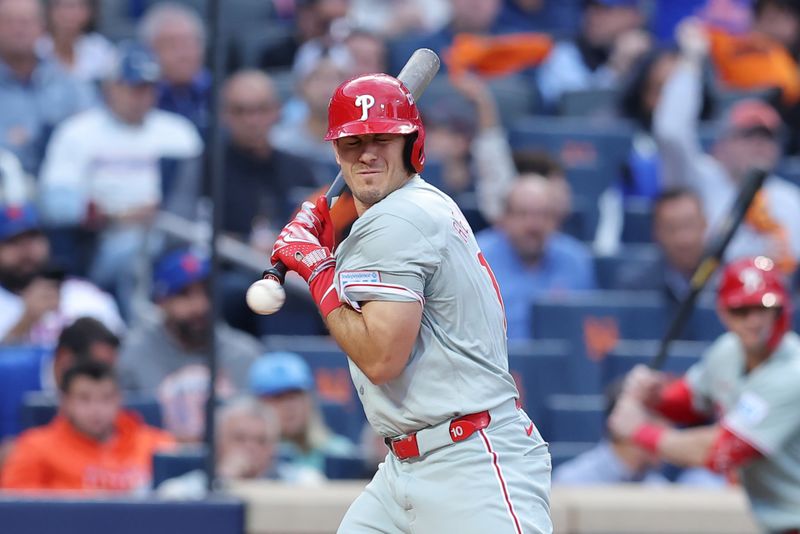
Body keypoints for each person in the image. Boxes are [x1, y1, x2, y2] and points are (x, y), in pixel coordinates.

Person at [269, 73, 552, 533]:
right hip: (407, 464)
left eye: (383, 138)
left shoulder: (398, 218)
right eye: (353, 141)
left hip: (468, 466)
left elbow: (381, 358)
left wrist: (318, 268)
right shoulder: (412, 206)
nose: (367, 152)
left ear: (411, 144)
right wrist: (335, 230)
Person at [609, 255, 800, 533]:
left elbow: (719, 452)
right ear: (724, 313)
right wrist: (656, 396)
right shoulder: (728, 350)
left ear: (782, 309)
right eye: (741, 310)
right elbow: (690, 400)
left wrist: (638, 431)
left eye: (764, 307)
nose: (754, 320)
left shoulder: (793, 372)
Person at [38, 41, 203, 311]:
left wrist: (162, 211)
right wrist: (115, 214)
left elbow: (197, 197)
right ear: (110, 87)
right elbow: (54, 202)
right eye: (133, 86)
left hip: (173, 233)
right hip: (103, 240)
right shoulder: (79, 131)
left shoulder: (178, 132)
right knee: (135, 255)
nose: (141, 95)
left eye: (148, 87)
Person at [654, 18, 800, 275]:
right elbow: (671, 132)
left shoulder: (789, 201)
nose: (759, 145)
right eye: (748, 136)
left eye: (767, 137)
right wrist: (691, 62)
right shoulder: (698, 179)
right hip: (704, 301)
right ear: (721, 145)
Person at [118, 247, 262, 442]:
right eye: (184, 294)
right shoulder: (133, 355)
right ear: (162, 301)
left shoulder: (244, 355)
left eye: (206, 292)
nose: (200, 306)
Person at [0, 360, 174, 491]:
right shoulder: (35, 447)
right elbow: (15, 512)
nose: (96, 409)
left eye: (106, 398)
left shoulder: (157, 444)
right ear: (65, 402)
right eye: (84, 398)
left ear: (119, 400)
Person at [477, 174, 597, 340]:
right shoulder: (479, 257)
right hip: (494, 363)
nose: (533, 225)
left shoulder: (576, 260)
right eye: (523, 214)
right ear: (504, 218)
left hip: (560, 364)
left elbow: (586, 327)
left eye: (543, 215)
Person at [554, 381, 726, 487]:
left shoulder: (659, 490)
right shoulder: (572, 482)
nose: (669, 431)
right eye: (659, 421)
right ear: (620, 422)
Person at [0, 203, 124, 346]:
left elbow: (117, 356)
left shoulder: (86, 296)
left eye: (33, 239)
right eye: (13, 242)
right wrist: (24, 323)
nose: (26, 251)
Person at [157, 397, 321, 498]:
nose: (250, 448)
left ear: (274, 448)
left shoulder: (305, 484)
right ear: (219, 443)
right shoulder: (180, 493)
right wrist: (224, 481)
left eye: (261, 440)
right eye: (239, 438)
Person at [0, 0, 94, 174]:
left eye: (26, 22)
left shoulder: (65, 80)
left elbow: (92, 128)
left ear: (42, 27)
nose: (18, 30)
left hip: (62, 180)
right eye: (8, 22)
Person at [249, 351, 357, 476]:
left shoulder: (339, 454)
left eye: (295, 396)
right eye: (278, 397)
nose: (289, 406)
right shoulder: (251, 456)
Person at [535, 0, 650, 112]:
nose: (592, 16)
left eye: (605, 10)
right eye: (590, 7)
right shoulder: (563, 54)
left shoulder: (650, 54)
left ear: (634, 16)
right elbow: (578, 112)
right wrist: (615, 69)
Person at [616, 188, 708, 302]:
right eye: (671, 228)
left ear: (704, 224)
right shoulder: (636, 286)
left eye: (688, 225)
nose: (683, 239)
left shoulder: (725, 278)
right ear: (656, 232)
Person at [138, 2, 210, 135]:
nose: (183, 54)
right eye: (172, 45)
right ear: (149, 50)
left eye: (190, 43)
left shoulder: (219, 93)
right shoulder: (139, 97)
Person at [37, 0, 116, 82]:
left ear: (88, 11)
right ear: (49, 10)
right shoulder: (36, 47)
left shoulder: (102, 51)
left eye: (76, 6)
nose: (69, 13)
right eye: (62, 6)